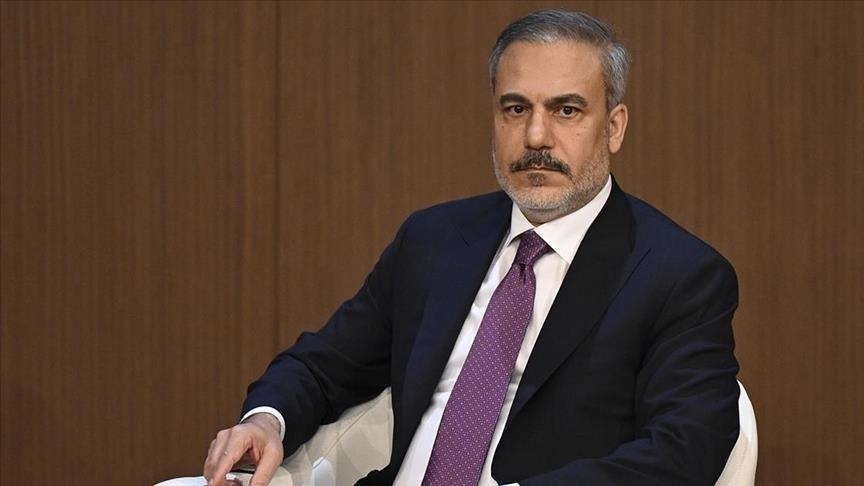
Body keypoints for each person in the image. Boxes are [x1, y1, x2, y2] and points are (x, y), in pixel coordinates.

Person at [203, 9, 740, 486]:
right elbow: (324, 365)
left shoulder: (679, 274)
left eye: (566, 111)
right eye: (515, 109)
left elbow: (686, 448)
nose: (536, 137)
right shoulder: (433, 241)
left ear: (614, 127)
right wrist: (265, 421)